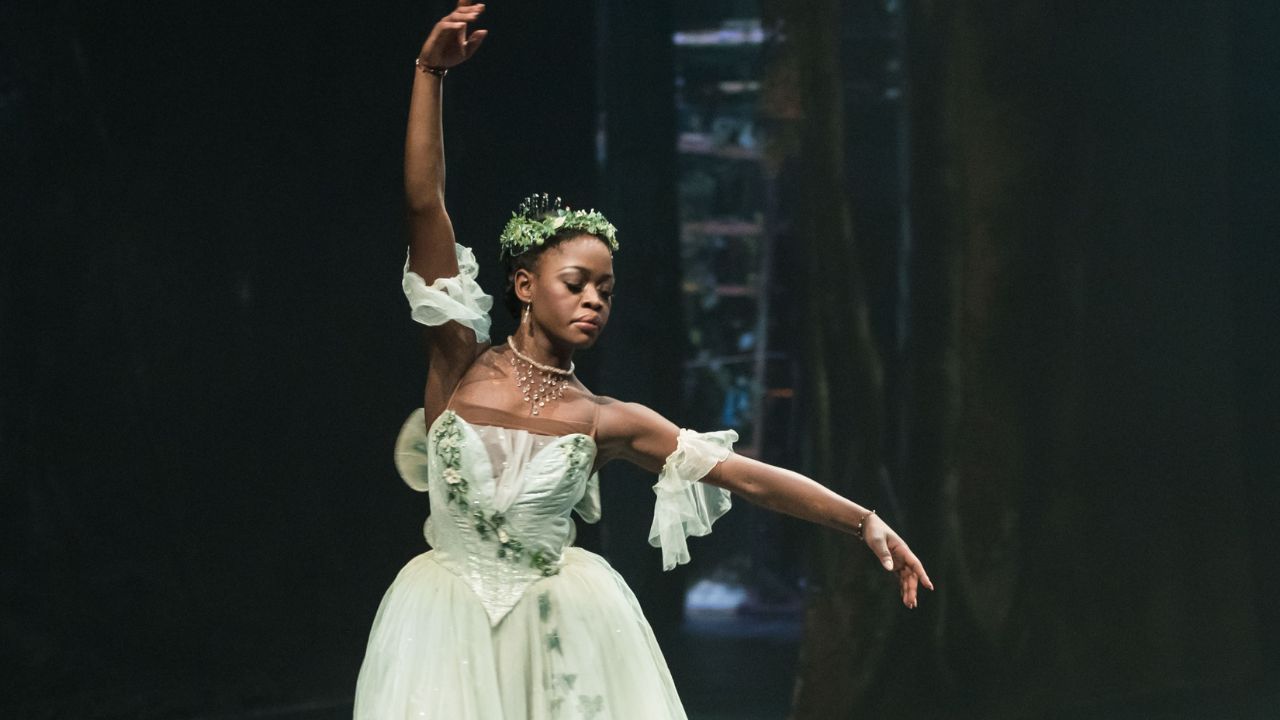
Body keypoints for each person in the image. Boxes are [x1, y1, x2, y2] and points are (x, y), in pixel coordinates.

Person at [353, 3, 933, 718]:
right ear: (525, 287)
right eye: (576, 284)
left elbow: (746, 477)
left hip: (553, 641)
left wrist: (863, 520)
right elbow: (423, 203)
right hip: (441, 628)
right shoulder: (458, 360)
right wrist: (430, 72)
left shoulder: (603, 419)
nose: (595, 300)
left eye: (606, 289)